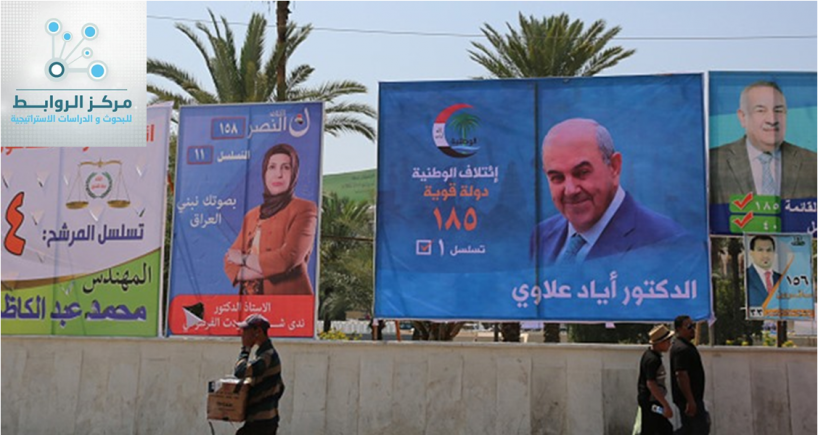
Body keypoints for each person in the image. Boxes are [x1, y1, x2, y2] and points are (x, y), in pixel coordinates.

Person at [531, 118, 683, 263]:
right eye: (557, 177)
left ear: (614, 167)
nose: (570, 190)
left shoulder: (668, 244)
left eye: (582, 173)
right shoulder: (542, 237)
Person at [224, 143, 318, 295]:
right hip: (251, 303)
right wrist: (267, 269)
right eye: (272, 167)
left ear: (294, 173)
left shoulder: (304, 209)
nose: (278, 174)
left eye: (286, 167)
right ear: (264, 173)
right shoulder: (252, 215)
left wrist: (243, 259)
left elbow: (287, 259)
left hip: (290, 302)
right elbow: (229, 260)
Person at [710, 81, 818, 204]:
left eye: (778, 110)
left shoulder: (813, 164)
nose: (772, 120)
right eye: (760, 110)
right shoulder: (713, 161)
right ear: (742, 117)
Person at [234, 314, 285, 435]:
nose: (243, 334)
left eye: (246, 330)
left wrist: (245, 349)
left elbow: (240, 371)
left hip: (260, 423)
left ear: (258, 331)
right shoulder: (265, 354)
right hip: (264, 421)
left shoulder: (266, 356)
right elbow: (281, 387)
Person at [671, 315, 710, 435]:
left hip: (694, 398)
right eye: (688, 326)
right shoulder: (681, 349)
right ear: (678, 329)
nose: (692, 329)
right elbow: (681, 374)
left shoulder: (686, 346)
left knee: (692, 429)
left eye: (693, 326)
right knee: (697, 429)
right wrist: (690, 400)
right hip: (689, 399)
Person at [637, 324, 675, 435]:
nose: (669, 344)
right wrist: (665, 405)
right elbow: (651, 383)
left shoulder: (650, 355)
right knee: (662, 429)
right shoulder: (653, 360)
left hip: (650, 402)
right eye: (667, 341)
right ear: (660, 343)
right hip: (652, 402)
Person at [746, 235, 781, 308]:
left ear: (774, 253)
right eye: (760, 250)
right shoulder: (745, 277)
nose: (765, 255)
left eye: (769, 250)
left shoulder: (782, 279)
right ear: (751, 253)